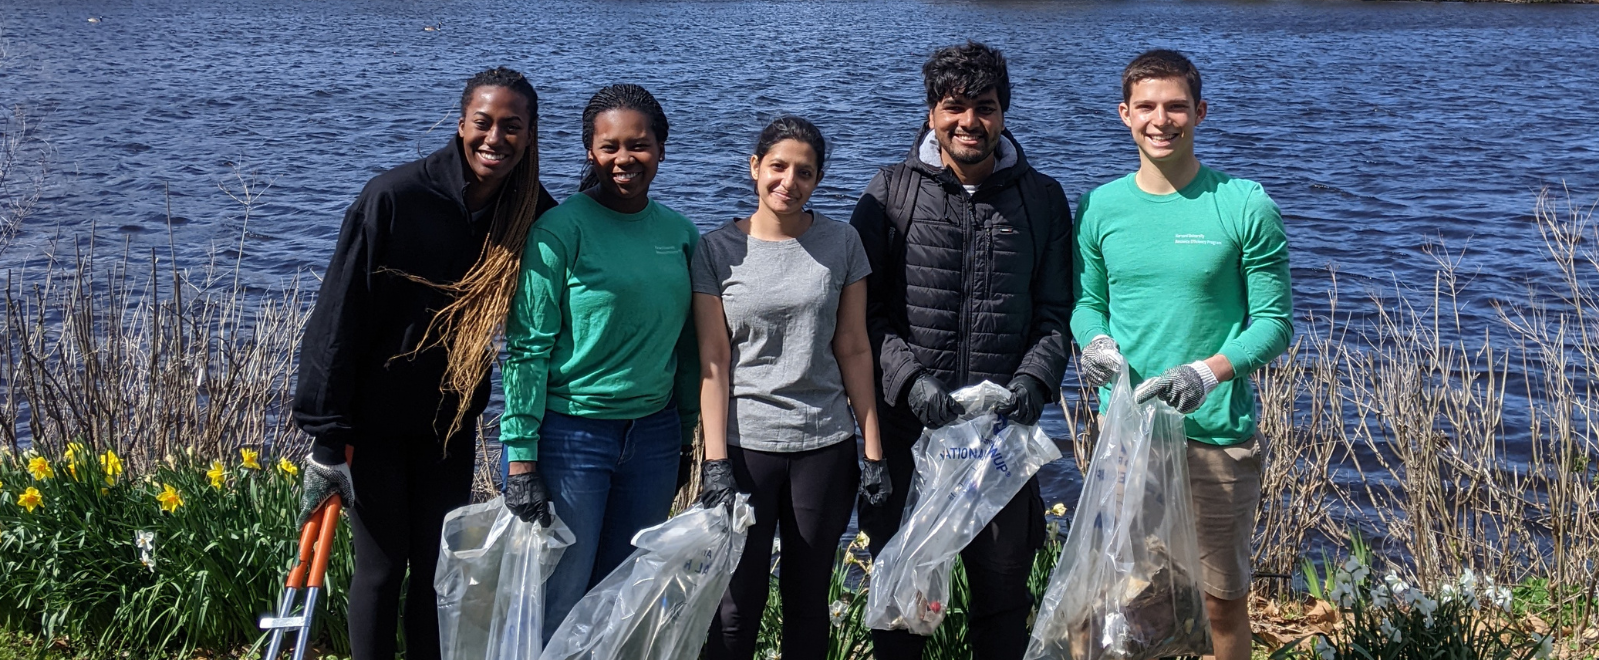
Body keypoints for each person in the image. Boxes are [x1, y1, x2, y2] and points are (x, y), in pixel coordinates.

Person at [291, 67, 557, 660]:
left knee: (439, 572)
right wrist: (327, 435)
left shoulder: (533, 212)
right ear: (461, 124)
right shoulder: (394, 197)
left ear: (531, 134)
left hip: (450, 423)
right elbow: (339, 316)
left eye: (512, 127)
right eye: (483, 123)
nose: (496, 138)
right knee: (383, 571)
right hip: (373, 422)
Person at [849, 41, 1073, 660]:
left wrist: (1035, 381)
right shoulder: (891, 193)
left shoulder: (1042, 198)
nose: (969, 122)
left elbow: (1056, 313)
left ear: (1003, 114)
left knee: (1002, 595)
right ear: (930, 114)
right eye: (954, 108)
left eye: (985, 107)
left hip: (1000, 438)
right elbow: (863, 315)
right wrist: (910, 381)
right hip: (906, 430)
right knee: (901, 596)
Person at [1071, 49, 1293, 660]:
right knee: (1111, 598)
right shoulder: (1098, 208)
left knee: (1221, 599)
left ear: (1201, 111)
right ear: (1124, 114)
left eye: (1175, 106)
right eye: (1146, 106)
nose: (1160, 120)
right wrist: (1093, 340)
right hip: (1127, 433)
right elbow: (1087, 302)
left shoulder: (1244, 204)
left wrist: (1208, 372)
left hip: (1216, 436)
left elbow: (1274, 324)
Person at [496, 83, 701, 643]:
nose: (624, 159)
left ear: (661, 148)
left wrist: (686, 437)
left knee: (625, 594)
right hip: (573, 437)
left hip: (654, 438)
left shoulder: (680, 234)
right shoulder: (560, 232)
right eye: (609, 146)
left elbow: (687, 349)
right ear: (590, 150)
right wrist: (520, 460)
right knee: (561, 596)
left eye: (639, 145)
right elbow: (528, 350)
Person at [692, 116, 889, 660]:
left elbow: (853, 347)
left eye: (804, 172)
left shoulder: (841, 243)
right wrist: (714, 462)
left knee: (807, 603)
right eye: (778, 167)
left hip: (824, 448)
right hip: (744, 447)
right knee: (735, 606)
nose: (789, 181)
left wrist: (871, 451)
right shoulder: (715, 250)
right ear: (755, 168)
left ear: (818, 179)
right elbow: (714, 359)